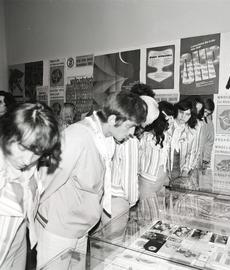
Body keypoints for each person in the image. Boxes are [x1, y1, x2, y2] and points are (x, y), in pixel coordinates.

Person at [35, 90, 147, 269]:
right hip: (59, 231)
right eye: (130, 126)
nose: (133, 132)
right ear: (112, 120)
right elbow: (45, 183)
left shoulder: (105, 138)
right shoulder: (77, 137)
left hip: (80, 230)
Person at [0, 102, 61, 269]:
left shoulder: (28, 160)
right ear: (8, 134)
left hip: (18, 237)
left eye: (37, 153)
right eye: (22, 148)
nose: (27, 160)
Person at [109, 84, 159, 224]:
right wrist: (132, 203)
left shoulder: (116, 130)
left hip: (109, 198)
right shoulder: (130, 139)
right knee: (115, 244)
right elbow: (128, 178)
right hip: (120, 201)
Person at [137, 104, 171, 220]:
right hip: (154, 182)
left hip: (152, 182)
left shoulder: (152, 137)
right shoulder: (155, 138)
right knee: (153, 215)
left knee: (152, 217)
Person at [169, 98, 200, 181]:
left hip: (179, 171)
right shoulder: (168, 126)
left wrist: (186, 170)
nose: (183, 117)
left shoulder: (191, 132)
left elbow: (192, 152)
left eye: (187, 114)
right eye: (181, 112)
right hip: (164, 171)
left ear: (191, 116)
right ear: (177, 111)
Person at [200, 98, 215, 170]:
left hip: (200, 160)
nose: (206, 114)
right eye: (205, 111)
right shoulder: (191, 119)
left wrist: (206, 160)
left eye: (208, 113)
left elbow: (210, 142)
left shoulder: (209, 123)